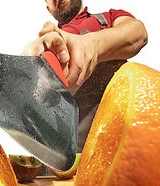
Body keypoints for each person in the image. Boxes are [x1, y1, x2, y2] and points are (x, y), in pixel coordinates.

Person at [22, 0, 148, 152]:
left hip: (118, 151)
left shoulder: (109, 18)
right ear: (49, 9)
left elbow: (138, 34)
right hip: (62, 161)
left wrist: (91, 45)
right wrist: (26, 63)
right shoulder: (48, 40)